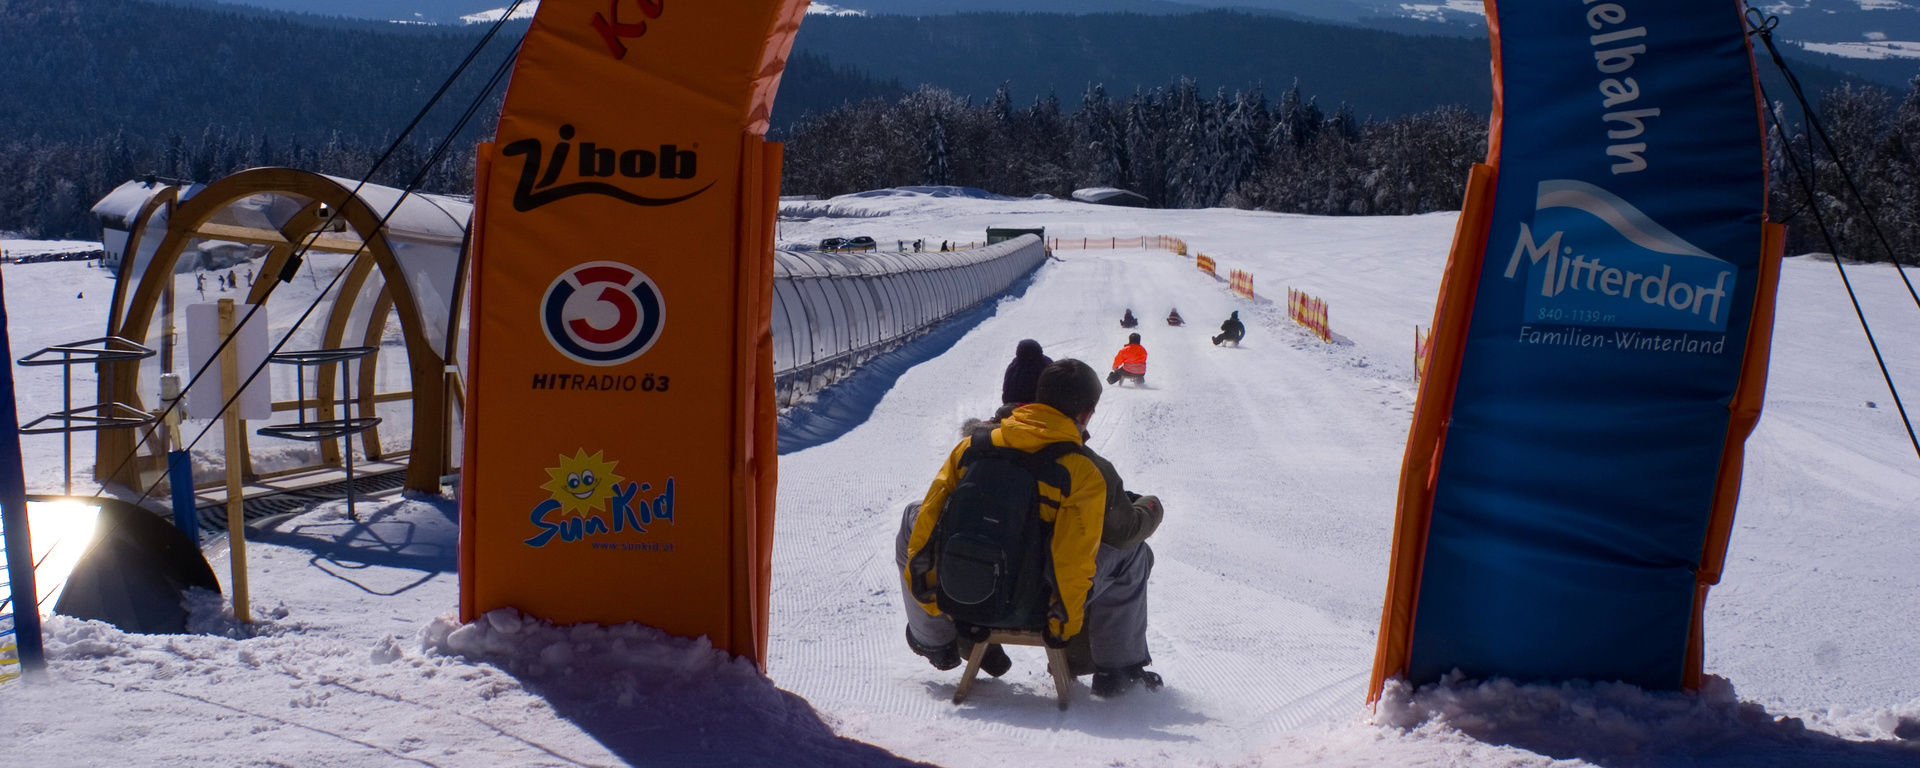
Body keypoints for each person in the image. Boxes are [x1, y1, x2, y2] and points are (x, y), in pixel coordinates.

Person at [898, 359, 1164, 697]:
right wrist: (1059, 629)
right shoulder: (1080, 470)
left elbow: (927, 528)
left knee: (913, 515)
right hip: (1036, 608)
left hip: (965, 593)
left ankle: (933, 640)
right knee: (1132, 551)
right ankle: (1118, 670)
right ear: (1086, 414)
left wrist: (935, 598)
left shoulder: (970, 448)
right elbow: (1072, 558)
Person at [1001, 339, 1051, 407]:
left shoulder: (1013, 367)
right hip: (1041, 409)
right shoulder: (1045, 364)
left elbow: (1007, 396)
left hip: (1014, 409)